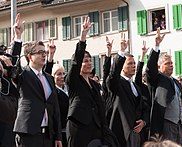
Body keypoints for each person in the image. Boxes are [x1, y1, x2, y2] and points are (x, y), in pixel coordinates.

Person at [12, 13, 62, 147]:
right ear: (30, 56)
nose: (43, 55)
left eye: (44, 52)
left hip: (48, 136)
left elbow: (55, 108)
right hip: (28, 133)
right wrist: (18, 38)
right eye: (40, 52)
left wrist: (58, 136)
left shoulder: (49, 78)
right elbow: (12, 65)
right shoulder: (23, 74)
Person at [66, 16, 116, 147]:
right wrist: (83, 37)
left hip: (97, 129)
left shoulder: (95, 84)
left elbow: (106, 77)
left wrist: (109, 53)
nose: (88, 63)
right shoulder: (74, 80)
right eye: (85, 61)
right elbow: (76, 62)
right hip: (79, 129)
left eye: (89, 60)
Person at [106, 32, 150, 147]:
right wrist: (121, 52)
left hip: (137, 135)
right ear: (122, 67)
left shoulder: (136, 87)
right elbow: (112, 75)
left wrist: (144, 122)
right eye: (130, 64)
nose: (133, 66)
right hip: (121, 135)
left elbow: (144, 107)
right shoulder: (117, 83)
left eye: (134, 63)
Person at [146, 28, 182, 146]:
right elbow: (150, 68)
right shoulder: (157, 79)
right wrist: (156, 45)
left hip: (178, 126)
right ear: (159, 67)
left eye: (172, 63)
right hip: (166, 125)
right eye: (167, 63)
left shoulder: (176, 82)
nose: (171, 65)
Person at [51, 64, 69, 147]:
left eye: (63, 73)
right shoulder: (53, 91)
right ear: (53, 76)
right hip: (60, 130)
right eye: (59, 74)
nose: (62, 76)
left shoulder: (68, 89)